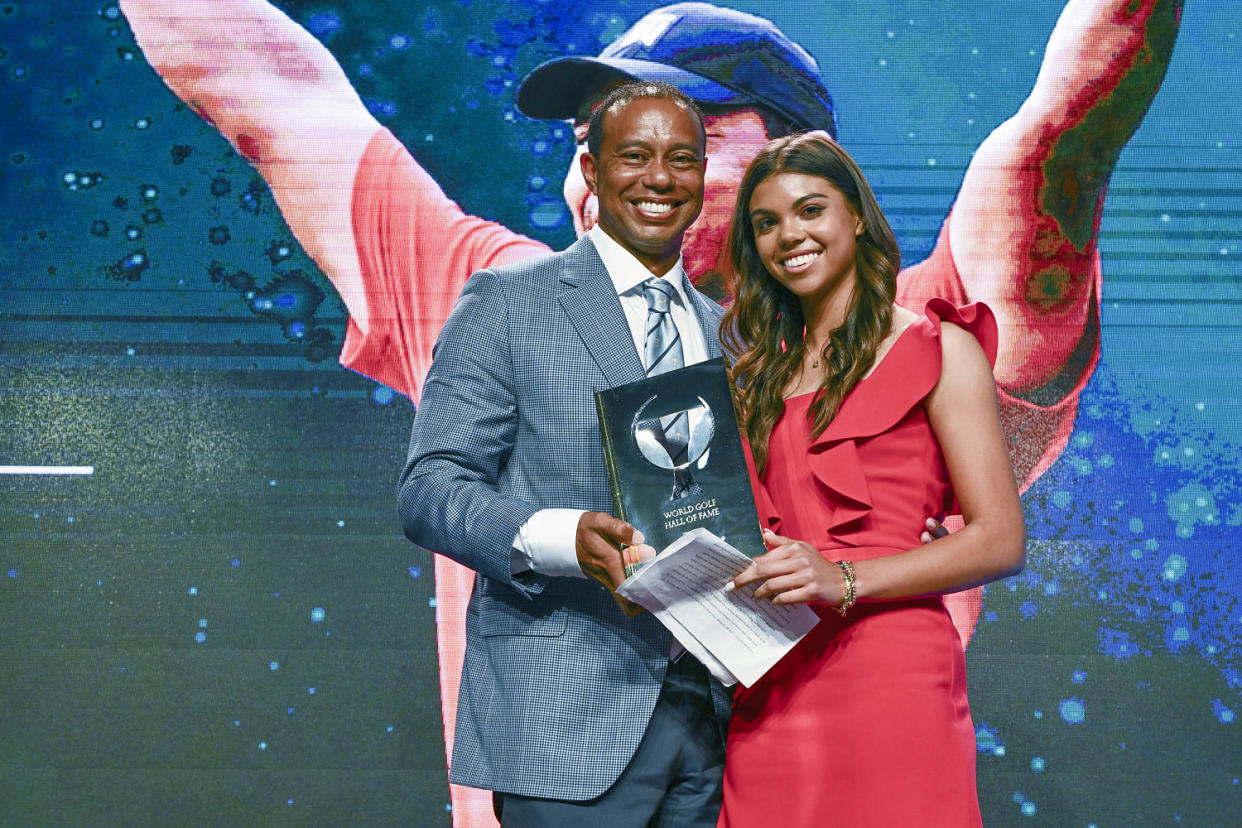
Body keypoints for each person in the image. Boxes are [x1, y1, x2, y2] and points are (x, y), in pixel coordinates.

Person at [117, 1, 1181, 822]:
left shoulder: (918, 338)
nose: (611, 166)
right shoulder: (493, 299)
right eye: (594, 139)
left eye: (682, 129)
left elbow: (1064, 134)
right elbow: (269, 88)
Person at [399, 82, 730, 826]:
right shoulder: (508, 300)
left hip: (716, 720)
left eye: (681, 158)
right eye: (634, 155)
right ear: (590, 166)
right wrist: (559, 537)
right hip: (567, 718)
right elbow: (430, 487)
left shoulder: (729, 335)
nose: (659, 178)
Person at [718, 132, 1026, 826]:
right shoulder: (747, 383)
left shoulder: (939, 349)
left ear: (856, 216)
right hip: (771, 679)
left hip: (892, 675)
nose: (787, 235)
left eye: (810, 210)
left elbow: (1000, 539)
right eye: (765, 223)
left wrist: (845, 579)